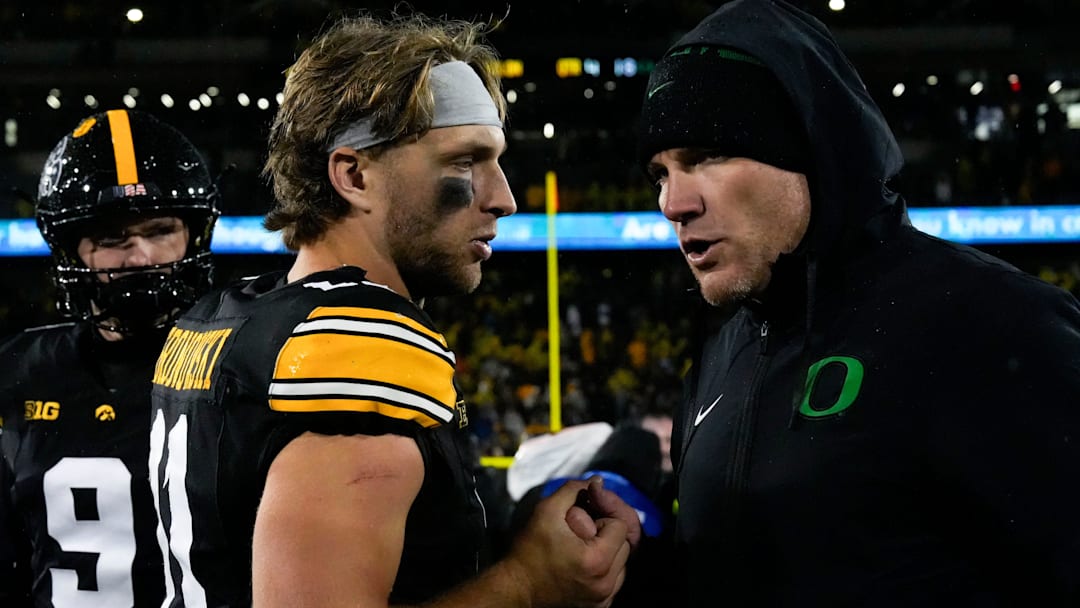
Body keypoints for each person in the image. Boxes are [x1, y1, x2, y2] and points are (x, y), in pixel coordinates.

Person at [149, 13, 640, 608]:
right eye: (464, 162)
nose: (504, 198)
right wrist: (530, 583)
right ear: (354, 174)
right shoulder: (355, 349)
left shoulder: (229, 316)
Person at [636, 0, 1080, 605]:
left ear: (811, 151)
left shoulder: (995, 327)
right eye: (660, 173)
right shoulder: (722, 356)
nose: (672, 203)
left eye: (706, 157)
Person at [0, 108, 219, 606]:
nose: (140, 257)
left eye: (161, 229)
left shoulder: (243, 360)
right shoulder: (16, 373)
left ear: (194, 232)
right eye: (112, 239)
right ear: (70, 251)